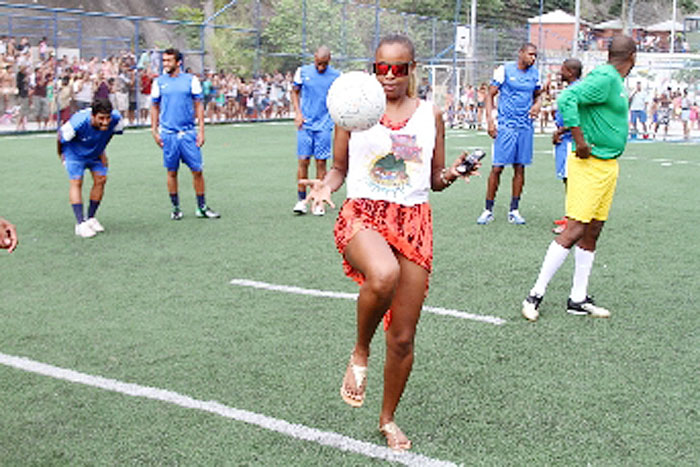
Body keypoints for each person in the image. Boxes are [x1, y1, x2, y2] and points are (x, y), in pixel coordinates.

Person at [302, 34, 479, 451]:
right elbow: (339, 168)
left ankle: (387, 419)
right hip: (363, 214)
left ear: (413, 69)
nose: (389, 76)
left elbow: (434, 180)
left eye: (399, 69)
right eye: (381, 67)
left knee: (402, 338)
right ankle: (360, 351)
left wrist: (453, 172)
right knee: (383, 274)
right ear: (373, 67)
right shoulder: (352, 108)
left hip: (414, 221)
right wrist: (326, 187)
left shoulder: (429, 115)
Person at [521, 35, 637, 322]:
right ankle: (534, 295)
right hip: (590, 165)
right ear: (633, 57)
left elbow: (584, 105)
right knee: (574, 229)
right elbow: (568, 97)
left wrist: (574, 130)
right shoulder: (607, 78)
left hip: (607, 164)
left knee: (593, 230)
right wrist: (579, 138)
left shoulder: (612, 80)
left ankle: (577, 298)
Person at [150, 48, 219, 220]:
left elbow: (199, 105)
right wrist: (154, 130)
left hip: (188, 133)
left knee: (197, 171)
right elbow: (154, 106)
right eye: (164, 61)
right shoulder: (158, 82)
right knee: (171, 172)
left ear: (178, 62)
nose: (165, 64)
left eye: (168, 61)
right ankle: (176, 208)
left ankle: (201, 207)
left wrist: (201, 130)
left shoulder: (191, 80)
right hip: (168, 134)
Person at [477, 43, 542, 225]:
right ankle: (488, 210)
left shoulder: (535, 74)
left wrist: (537, 105)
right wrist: (490, 121)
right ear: (520, 53)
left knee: (520, 167)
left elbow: (538, 95)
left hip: (525, 127)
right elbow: (490, 95)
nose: (533, 58)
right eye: (530, 54)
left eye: (535, 55)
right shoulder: (504, 70)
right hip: (506, 126)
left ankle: (514, 210)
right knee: (497, 167)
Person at [58, 98, 124, 238]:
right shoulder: (78, 123)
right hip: (74, 154)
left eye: (107, 117)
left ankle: (91, 218)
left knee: (101, 179)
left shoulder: (116, 119)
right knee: (77, 182)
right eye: (101, 118)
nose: (105, 121)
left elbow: (110, 133)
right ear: (93, 116)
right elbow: (60, 137)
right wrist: (61, 156)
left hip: (95, 153)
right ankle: (80, 223)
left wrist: (102, 151)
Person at [291, 45, 340, 216]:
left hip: (324, 125)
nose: (321, 68)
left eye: (324, 65)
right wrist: (298, 113)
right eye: (318, 63)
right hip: (305, 124)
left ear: (329, 61)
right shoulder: (302, 72)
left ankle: (319, 201)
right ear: (314, 58)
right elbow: (294, 92)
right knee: (303, 161)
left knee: (321, 162)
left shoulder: (336, 76)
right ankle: (301, 200)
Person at [551, 58, 582, 235]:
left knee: (572, 181)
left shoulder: (575, 91)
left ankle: (573, 222)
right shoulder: (573, 89)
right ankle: (570, 216)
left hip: (570, 141)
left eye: (562, 69)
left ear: (570, 72)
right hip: (566, 140)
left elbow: (576, 119)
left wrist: (560, 132)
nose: (559, 72)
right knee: (568, 180)